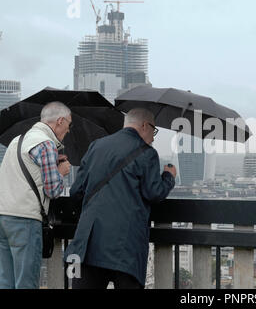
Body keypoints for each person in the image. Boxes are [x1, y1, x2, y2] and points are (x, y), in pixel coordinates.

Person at [64, 108, 176, 289]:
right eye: (154, 131)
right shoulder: (147, 153)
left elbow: (76, 191)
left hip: (88, 243)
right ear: (145, 126)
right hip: (125, 249)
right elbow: (154, 193)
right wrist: (168, 177)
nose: (153, 137)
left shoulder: (96, 146)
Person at [0, 102, 72, 289]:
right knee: (27, 282)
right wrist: (61, 172)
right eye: (68, 125)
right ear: (60, 121)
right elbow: (52, 189)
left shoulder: (18, 140)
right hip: (25, 220)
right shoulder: (46, 144)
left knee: (6, 282)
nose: (68, 130)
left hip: (3, 217)